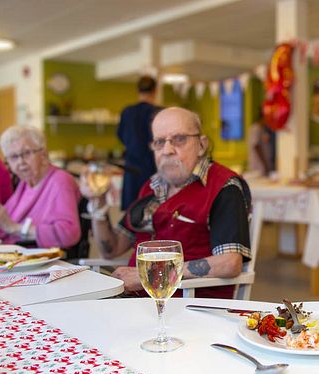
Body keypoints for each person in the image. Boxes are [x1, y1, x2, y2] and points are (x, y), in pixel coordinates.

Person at [82, 107, 251, 299]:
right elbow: (111, 250)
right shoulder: (151, 187)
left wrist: (146, 275)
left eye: (179, 139)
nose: (167, 150)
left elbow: (229, 263)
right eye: (159, 142)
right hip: (133, 301)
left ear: (201, 145)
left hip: (188, 305)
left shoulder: (223, 187)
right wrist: (98, 204)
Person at [0, 126, 81, 249]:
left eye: (26, 153)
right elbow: (2, 221)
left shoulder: (60, 181)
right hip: (13, 254)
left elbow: (69, 234)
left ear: (43, 154)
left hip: (40, 259)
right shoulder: (25, 183)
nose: (20, 162)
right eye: (14, 157)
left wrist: (15, 228)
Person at [117, 75, 162, 210]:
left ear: (138, 91)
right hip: (152, 167)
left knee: (131, 211)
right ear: (155, 91)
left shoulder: (127, 112)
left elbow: (120, 135)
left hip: (131, 167)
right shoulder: (158, 112)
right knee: (151, 209)